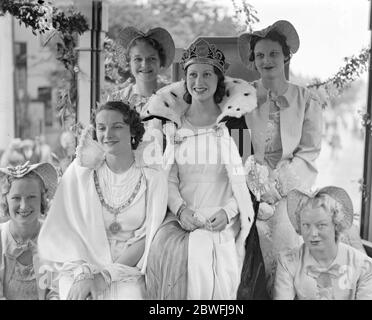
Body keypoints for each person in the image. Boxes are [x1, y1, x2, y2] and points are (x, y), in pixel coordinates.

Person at [141, 39, 258, 299]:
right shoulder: (171, 125)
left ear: (218, 79)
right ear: (185, 80)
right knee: (169, 248)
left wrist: (228, 214)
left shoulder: (237, 124)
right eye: (193, 74)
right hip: (183, 217)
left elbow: (247, 177)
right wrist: (181, 210)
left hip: (223, 216)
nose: (199, 81)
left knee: (206, 252)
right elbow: (167, 179)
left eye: (207, 74)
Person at [37, 101, 168, 300]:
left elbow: (147, 237)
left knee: (128, 296)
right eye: (101, 128)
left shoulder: (152, 176)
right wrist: (84, 274)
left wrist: (105, 276)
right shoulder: (80, 172)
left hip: (128, 267)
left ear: (132, 131)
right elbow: (66, 229)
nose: (108, 134)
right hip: (82, 263)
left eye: (117, 126)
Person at [237, 20, 323, 295]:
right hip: (246, 182)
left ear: (286, 56)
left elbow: (309, 150)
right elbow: (238, 145)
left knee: (285, 234)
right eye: (260, 55)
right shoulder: (243, 95)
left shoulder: (305, 98)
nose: (266, 60)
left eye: (273, 53)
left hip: (290, 185)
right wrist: (255, 179)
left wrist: (281, 183)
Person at [274, 186, 372, 300]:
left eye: (321, 225)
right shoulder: (288, 262)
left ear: (336, 224)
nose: (313, 233)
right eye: (306, 225)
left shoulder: (364, 267)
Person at [109, 26, 176, 163]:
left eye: (151, 59)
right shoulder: (117, 100)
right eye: (138, 59)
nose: (145, 64)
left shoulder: (174, 96)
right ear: (129, 61)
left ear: (160, 61)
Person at [0, 161, 58, 300]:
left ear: (42, 199)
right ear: (5, 200)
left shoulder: (54, 237)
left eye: (31, 197)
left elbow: (58, 290)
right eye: (16, 198)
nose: (24, 206)